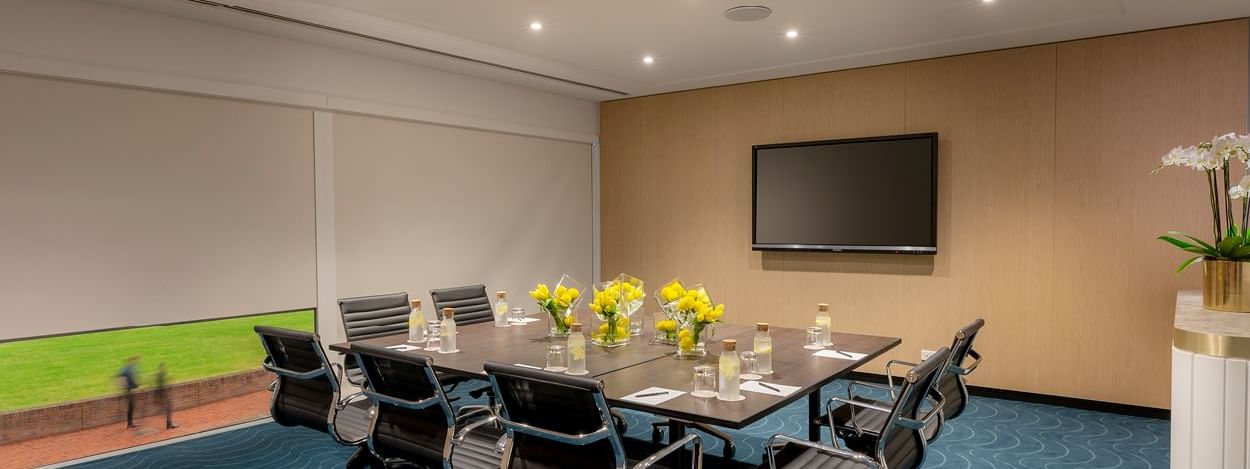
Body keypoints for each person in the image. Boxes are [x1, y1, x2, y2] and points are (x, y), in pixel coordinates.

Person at [117, 357, 140, 429]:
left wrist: (122, 386)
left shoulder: (125, 368)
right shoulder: (129, 370)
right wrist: (137, 386)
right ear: (131, 361)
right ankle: (130, 423)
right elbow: (131, 380)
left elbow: (120, 377)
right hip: (129, 391)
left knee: (131, 406)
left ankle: (130, 423)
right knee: (131, 406)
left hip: (127, 390)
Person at [154, 363, 177, 429]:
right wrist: (169, 385)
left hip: (160, 394)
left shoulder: (158, 375)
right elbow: (164, 385)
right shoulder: (162, 375)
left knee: (168, 408)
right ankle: (169, 424)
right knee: (169, 408)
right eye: (164, 367)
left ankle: (169, 423)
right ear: (162, 368)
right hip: (163, 394)